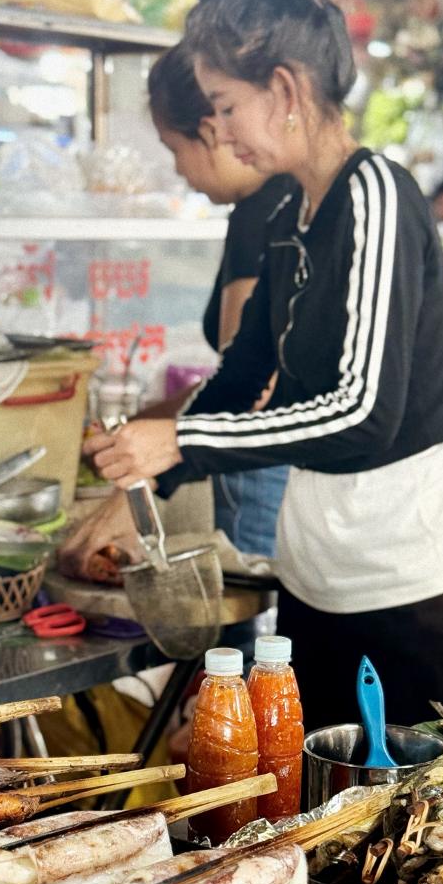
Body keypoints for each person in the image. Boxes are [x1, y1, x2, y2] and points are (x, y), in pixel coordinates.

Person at [84, 0, 443, 730]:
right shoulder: (293, 213)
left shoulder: (377, 195)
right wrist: (146, 481)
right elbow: (242, 376)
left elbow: (363, 412)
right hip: (312, 581)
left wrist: (182, 439)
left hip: (400, 593)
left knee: (386, 802)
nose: (223, 130)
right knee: (302, 792)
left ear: (285, 90)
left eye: (227, 106)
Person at [60, 42, 292, 577]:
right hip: (283, 474)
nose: (179, 171)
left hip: (263, 477)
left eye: (174, 149)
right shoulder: (292, 200)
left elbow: (251, 393)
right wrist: (143, 428)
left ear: (213, 132)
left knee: (259, 622)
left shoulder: (260, 213)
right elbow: (247, 375)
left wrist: (142, 480)